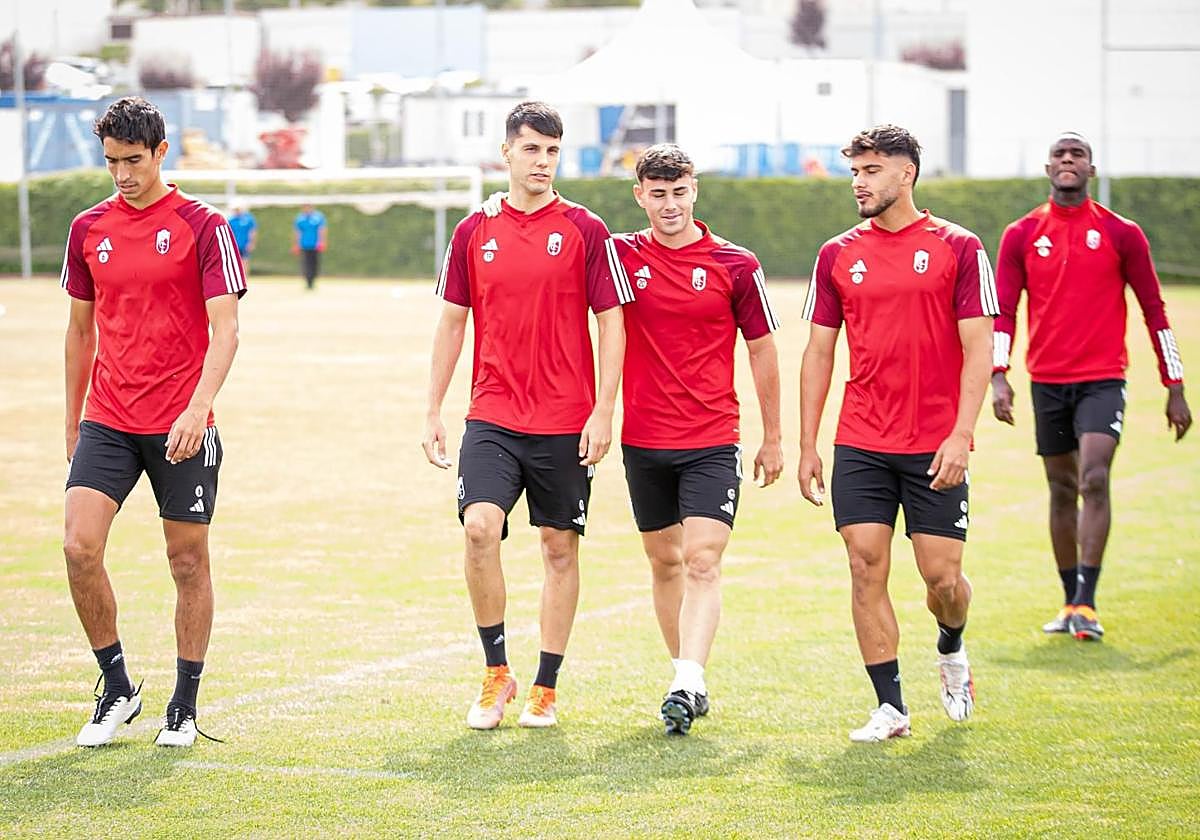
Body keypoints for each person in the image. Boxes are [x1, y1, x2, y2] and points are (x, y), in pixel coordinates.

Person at [421, 101, 631, 730]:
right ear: (506, 152)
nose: (542, 162)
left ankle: (546, 684)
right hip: (493, 414)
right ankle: (495, 672)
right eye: (531, 149)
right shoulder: (473, 231)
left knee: (558, 548)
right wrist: (432, 406)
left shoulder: (587, 230)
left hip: (566, 420)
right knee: (479, 528)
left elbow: (612, 321)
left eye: (552, 151)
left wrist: (603, 409)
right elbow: (452, 322)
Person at [798, 125, 997, 742]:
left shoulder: (958, 247)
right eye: (854, 171)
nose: (858, 182)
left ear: (906, 173)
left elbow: (978, 347)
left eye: (871, 170)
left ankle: (951, 645)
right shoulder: (836, 253)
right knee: (864, 565)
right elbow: (819, 352)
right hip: (862, 439)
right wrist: (808, 443)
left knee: (942, 580)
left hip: (936, 441)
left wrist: (962, 434)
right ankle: (890, 706)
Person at [60, 96, 246, 748]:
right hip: (108, 417)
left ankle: (183, 705)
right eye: (111, 162)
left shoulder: (202, 224)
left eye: (133, 161)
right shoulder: (88, 228)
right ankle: (116, 688)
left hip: (181, 422)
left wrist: (198, 407)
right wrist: (72, 421)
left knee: (186, 560)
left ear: (161, 153)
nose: (121, 175)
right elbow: (79, 331)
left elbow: (226, 330)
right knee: (78, 547)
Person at [991, 132, 1191, 641]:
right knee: (1060, 487)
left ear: (1090, 169)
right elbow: (1004, 314)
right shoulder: (1021, 234)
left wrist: (1175, 386)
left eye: (1077, 154)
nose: (1067, 161)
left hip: (1103, 379)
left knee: (1094, 477)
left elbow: (1155, 312)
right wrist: (1000, 376)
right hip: (1048, 381)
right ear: (1047, 167)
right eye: (1060, 154)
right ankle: (1067, 600)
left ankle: (1088, 601)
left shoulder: (1122, 233)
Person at [293, 203, 327, 290]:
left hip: (315, 245)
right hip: (304, 245)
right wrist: (296, 244)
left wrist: (322, 242)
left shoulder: (319, 217)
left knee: (315, 264)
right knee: (306, 264)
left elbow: (322, 230)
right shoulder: (300, 218)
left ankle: (313, 280)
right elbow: (297, 232)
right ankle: (308, 282)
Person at [227, 204, 257, 270]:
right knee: (234, 263)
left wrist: (251, 243)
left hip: (244, 245)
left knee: (245, 262)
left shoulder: (249, 219)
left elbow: (252, 232)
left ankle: (245, 279)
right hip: (234, 245)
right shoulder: (230, 220)